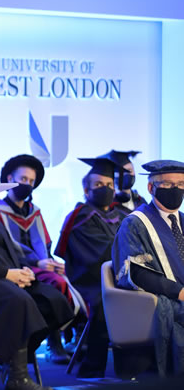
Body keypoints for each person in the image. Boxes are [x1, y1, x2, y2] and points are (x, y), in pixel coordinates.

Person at [0, 162, 73, 390]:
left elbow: (11, 250)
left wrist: (25, 271)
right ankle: (17, 376)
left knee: (52, 300)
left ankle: (7, 358)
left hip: (6, 276)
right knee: (19, 301)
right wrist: (6, 274)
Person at [0, 154, 82, 365]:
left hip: (38, 266)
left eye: (31, 181)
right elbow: (2, 248)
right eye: (23, 179)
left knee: (65, 276)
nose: (27, 185)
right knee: (57, 285)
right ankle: (53, 341)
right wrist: (35, 263)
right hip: (13, 268)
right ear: (10, 177)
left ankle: (69, 339)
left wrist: (50, 262)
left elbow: (44, 245)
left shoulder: (35, 211)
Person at [54, 157, 127, 377]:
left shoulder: (123, 213)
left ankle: (143, 367)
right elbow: (97, 255)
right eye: (98, 185)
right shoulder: (81, 217)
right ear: (86, 190)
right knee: (107, 302)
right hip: (90, 279)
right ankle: (93, 369)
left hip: (124, 274)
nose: (105, 189)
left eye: (109, 185)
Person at [112, 159, 184, 375]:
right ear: (151, 188)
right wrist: (178, 292)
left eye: (181, 184)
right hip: (164, 298)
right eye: (169, 185)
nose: (176, 190)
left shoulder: (182, 220)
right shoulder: (135, 223)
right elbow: (137, 272)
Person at [99, 150, 147, 214]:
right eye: (121, 171)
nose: (127, 174)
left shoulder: (141, 201)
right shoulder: (107, 205)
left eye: (130, 170)